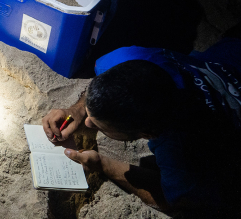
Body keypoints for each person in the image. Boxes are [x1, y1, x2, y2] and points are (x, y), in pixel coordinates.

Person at [41, 25, 241, 214]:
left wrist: (103, 165)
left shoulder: (179, 146)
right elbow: (103, 81)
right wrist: (77, 110)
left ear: (147, 134)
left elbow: (176, 201)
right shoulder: (125, 59)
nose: (88, 124)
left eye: (99, 126)